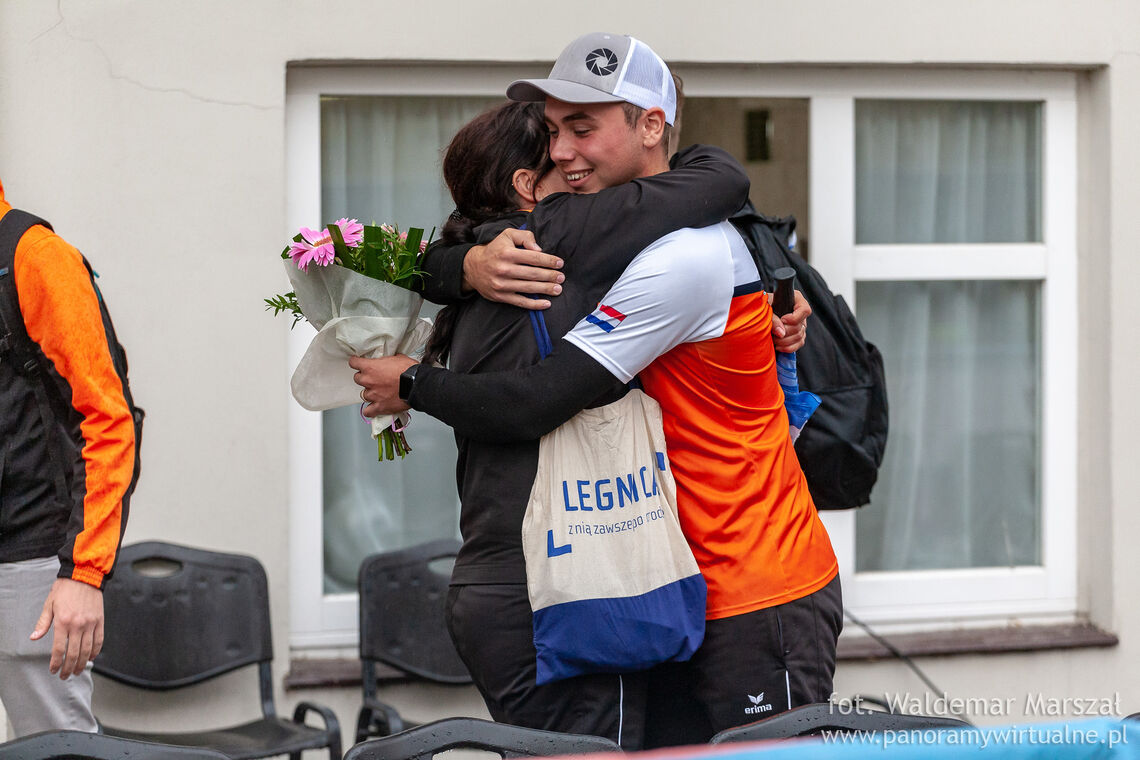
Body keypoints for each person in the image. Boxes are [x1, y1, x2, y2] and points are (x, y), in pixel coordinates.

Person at [353, 33, 840, 748]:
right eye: (553, 132)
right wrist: (468, 266)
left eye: (582, 129)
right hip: (666, 580)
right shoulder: (607, 241)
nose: (562, 151)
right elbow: (351, 248)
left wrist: (416, 382)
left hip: (754, 582)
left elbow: (539, 398)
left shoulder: (677, 255)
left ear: (651, 126)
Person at [0, 179, 138, 737]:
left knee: (55, 748)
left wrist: (83, 572)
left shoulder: (36, 258)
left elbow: (109, 421)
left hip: (30, 564)